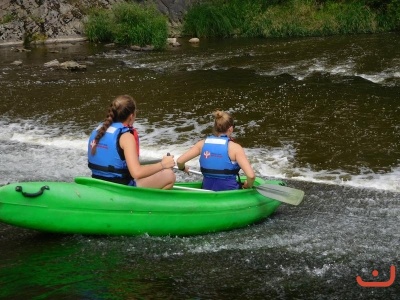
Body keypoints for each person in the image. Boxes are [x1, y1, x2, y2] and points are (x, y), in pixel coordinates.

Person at [87, 94, 176, 189]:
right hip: (120, 187)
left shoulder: (98, 131)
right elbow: (136, 173)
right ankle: (144, 202)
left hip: (96, 181)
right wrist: (163, 164)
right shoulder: (126, 137)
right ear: (131, 116)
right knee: (169, 175)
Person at [176, 110, 255, 191]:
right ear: (230, 129)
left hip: (207, 189)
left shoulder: (201, 144)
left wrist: (182, 168)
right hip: (229, 192)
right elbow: (251, 176)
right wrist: (248, 186)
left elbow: (179, 161)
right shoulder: (235, 148)